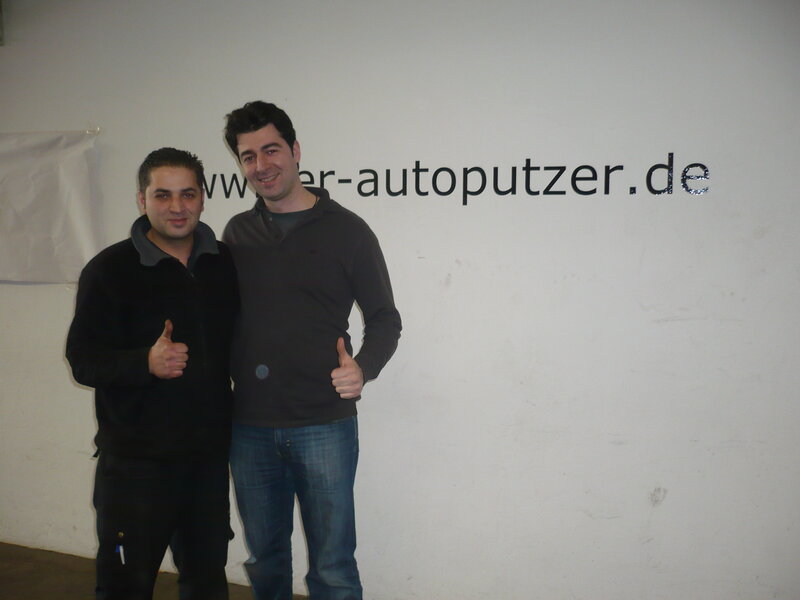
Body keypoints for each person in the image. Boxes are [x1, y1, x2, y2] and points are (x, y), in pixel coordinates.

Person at [222, 101, 402, 600]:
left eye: (271, 150)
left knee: (333, 568)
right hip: (250, 426)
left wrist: (363, 369)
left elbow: (385, 318)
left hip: (324, 423)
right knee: (265, 561)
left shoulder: (348, 230)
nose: (262, 165)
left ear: (296, 150)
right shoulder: (236, 233)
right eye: (248, 156)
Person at [65, 147, 239, 600]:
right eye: (163, 195)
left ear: (203, 198)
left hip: (206, 462)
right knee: (125, 587)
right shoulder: (109, 270)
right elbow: (82, 359)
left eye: (188, 194)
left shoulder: (223, 264)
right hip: (135, 467)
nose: (177, 207)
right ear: (142, 200)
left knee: (206, 584)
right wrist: (144, 362)